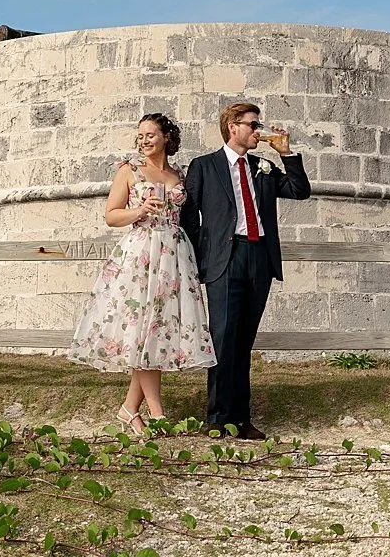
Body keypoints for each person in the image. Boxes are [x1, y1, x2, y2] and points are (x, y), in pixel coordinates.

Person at [67, 113, 216, 433]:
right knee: (144, 330)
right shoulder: (129, 170)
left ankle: (129, 410)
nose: (144, 140)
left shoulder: (179, 174)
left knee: (157, 333)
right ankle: (158, 415)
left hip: (175, 256)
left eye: (150, 134)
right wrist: (140, 210)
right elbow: (111, 216)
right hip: (142, 255)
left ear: (166, 137)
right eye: (140, 135)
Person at [180, 101, 311, 440]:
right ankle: (217, 417)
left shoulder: (263, 166)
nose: (258, 131)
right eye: (252, 125)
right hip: (225, 258)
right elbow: (188, 217)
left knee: (243, 342)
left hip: (259, 258)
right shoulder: (204, 167)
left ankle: (241, 418)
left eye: (258, 124)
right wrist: (201, 258)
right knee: (223, 340)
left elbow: (299, 191)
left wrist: (287, 154)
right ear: (232, 127)